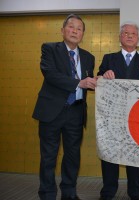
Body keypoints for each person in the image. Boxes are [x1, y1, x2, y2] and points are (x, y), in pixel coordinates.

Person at [32, 14, 97, 200]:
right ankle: (47, 194)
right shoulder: (50, 48)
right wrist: (80, 82)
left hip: (76, 112)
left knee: (72, 157)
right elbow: (50, 74)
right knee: (48, 157)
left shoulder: (88, 57)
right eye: (71, 27)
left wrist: (98, 83)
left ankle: (69, 193)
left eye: (79, 28)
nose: (75, 31)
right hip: (51, 111)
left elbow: (87, 82)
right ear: (62, 30)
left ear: (83, 34)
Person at [97, 22, 139, 200]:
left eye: (133, 34)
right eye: (125, 33)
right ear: (120, 37)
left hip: (138, 118)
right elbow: (98, 79)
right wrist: (104, 75)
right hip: (112, 117)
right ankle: (108, 192)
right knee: (110, 154)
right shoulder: (109, 59)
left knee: (136, 155)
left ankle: (135, 192)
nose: (129, 36)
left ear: (138, 39)